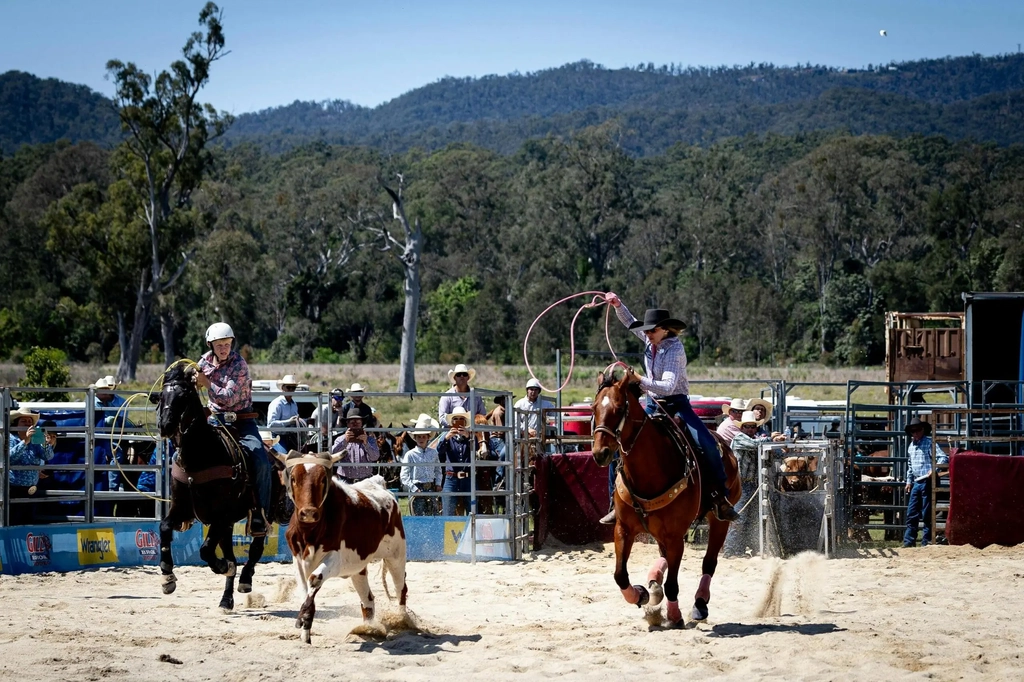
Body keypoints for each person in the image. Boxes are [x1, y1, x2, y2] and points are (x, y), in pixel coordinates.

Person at [601, 293, 740, 524]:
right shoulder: (650, 340)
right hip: (652, 404)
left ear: (665, 329)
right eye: (646, 331)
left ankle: (720, 497)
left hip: (676, 403)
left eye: (651, 331)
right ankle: (615, 503)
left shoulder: (675, 350)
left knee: (706, 443)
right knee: (620, 445)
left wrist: (639, 379)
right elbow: (630, 321)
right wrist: (617, 304)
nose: (647, 334)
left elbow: (668, 386)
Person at [195, 322, 273, 537]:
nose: (223, 349)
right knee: (191, 451)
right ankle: (187, 505)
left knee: (260, 459)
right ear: (211, 345)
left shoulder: (239, 364)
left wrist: (206, 383)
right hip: (216, 419)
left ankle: (260, 513)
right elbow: (193, 379)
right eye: (219, 345)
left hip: (242, 420)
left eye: (227, 344)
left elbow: (230, 398)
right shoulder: (202, 362)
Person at [903, 417, 948, 548]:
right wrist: (908, 481)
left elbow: (943, 458)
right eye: (913, 431)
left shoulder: (929, 443)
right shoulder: (911, 446)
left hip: (928, 481)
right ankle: (909, 541)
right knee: (912, 513)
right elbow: (910, 466)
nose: (915, 433)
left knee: (926, 513)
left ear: (922, 430)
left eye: (917, 430)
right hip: (917, 482)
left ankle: (925, 541)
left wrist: (934, 470)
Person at [6, 407, 56, 525]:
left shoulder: (36, 439)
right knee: (14, 521)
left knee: (29, 522)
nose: (28, 424)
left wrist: (44, 444)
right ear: (16, 424)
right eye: (24, 421)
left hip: (32, 490)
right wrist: (25, 441)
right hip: (14, 490)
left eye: (30, 422)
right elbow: (9, 458)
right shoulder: (10, 438)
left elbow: (48, 456)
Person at [723, 411, 763, 557]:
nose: (750, 429)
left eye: (753, 426)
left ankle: (739, 550)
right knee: (739, 518)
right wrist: (773, 439)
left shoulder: (756, 439)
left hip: (753, 484)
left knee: (750, 519)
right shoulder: (739, 438)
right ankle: (730, 550)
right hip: (741, 485)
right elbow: (754, 444)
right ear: (742, 428)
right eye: (747, 426)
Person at [400, 414, 443, 516]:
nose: (421, 439)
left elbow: (438, 470)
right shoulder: (410, 455)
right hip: (417, 488)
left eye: (424, 436)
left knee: (434, 516)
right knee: (418, 517)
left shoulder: (433, 453)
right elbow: (404, 475)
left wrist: (438, 483)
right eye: (419, 436)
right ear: (415, 438)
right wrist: (414, 488)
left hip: (431, 488)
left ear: (428, 437)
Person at [436, 406, 475, 515]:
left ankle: (472, 531)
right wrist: (446, 438)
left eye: (461, 420)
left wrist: (467, 436)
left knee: (473, 512)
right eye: (456, 420)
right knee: (448, 511)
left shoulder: (471, 437)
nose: (458, 422)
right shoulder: (447, 437)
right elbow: (439, 451)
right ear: (452, 422)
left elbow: (476, 449)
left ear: (465, 422)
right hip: (451, 477)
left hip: (468, 478)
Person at [331, 408, 380, 482]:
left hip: (365, 480)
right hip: (344, 480)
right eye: (352, 422)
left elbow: (375, 457)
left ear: (362, 423)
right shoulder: (340, 439)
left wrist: (366, 443)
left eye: (358, 421)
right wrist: (345, 441)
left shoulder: (370, 440)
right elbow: (333, 455)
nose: (355, 424)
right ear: (347, 424)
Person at [438, 363, 486, 428]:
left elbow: (482, 415)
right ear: (454, 378)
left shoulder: (476, 396)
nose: (462, 376)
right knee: (443, 438)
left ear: (468, 377)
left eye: (464, 374)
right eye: (458, 374)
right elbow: (442, 418)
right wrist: (455, 424)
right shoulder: (447, 396)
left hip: (472, 432)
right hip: (451, 431)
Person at [266, 374, 303, 451]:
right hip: (278, 438)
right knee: (284, 457)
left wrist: (305, 421)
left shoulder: (294, 404)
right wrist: (289, 422)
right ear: (283, 388)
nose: (291, 390)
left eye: (293, 388)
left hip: (292, 437)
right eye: (288, 387)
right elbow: (271, 425)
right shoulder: (277, 403)